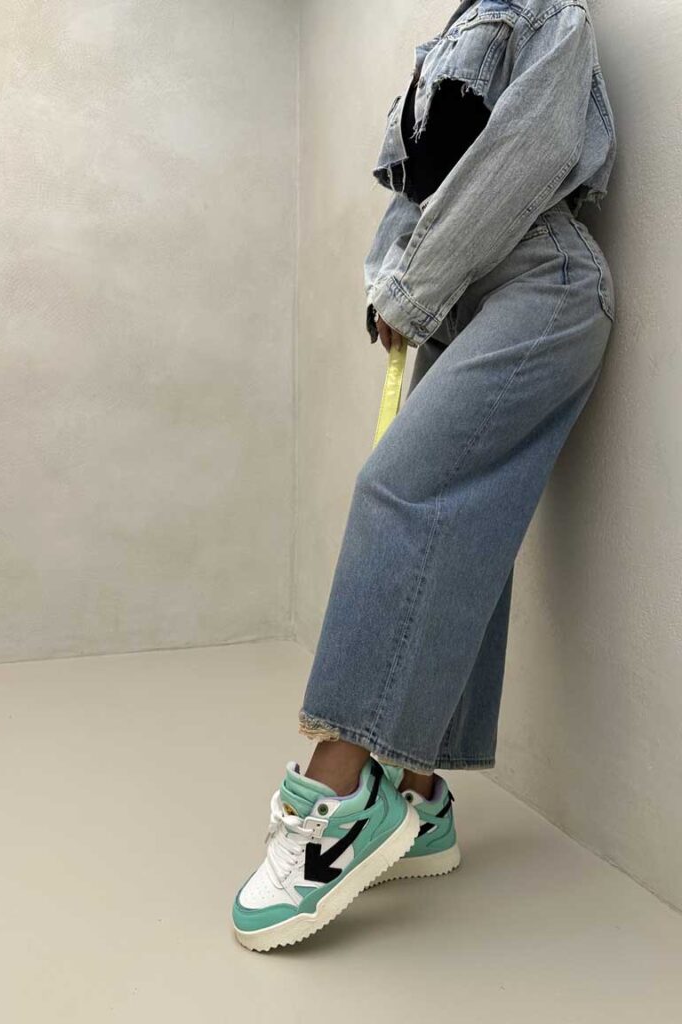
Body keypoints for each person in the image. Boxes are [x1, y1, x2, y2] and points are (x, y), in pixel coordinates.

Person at [232, 0, 617, 952]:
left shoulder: (550, 14)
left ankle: (337, 794)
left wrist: (409, 287)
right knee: (463, 534)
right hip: (456, 299)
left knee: (396, 493)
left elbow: (523, 155)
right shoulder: (448, 34)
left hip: (543, 282)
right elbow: (419, 190)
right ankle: (418, 796)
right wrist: (394, 289)